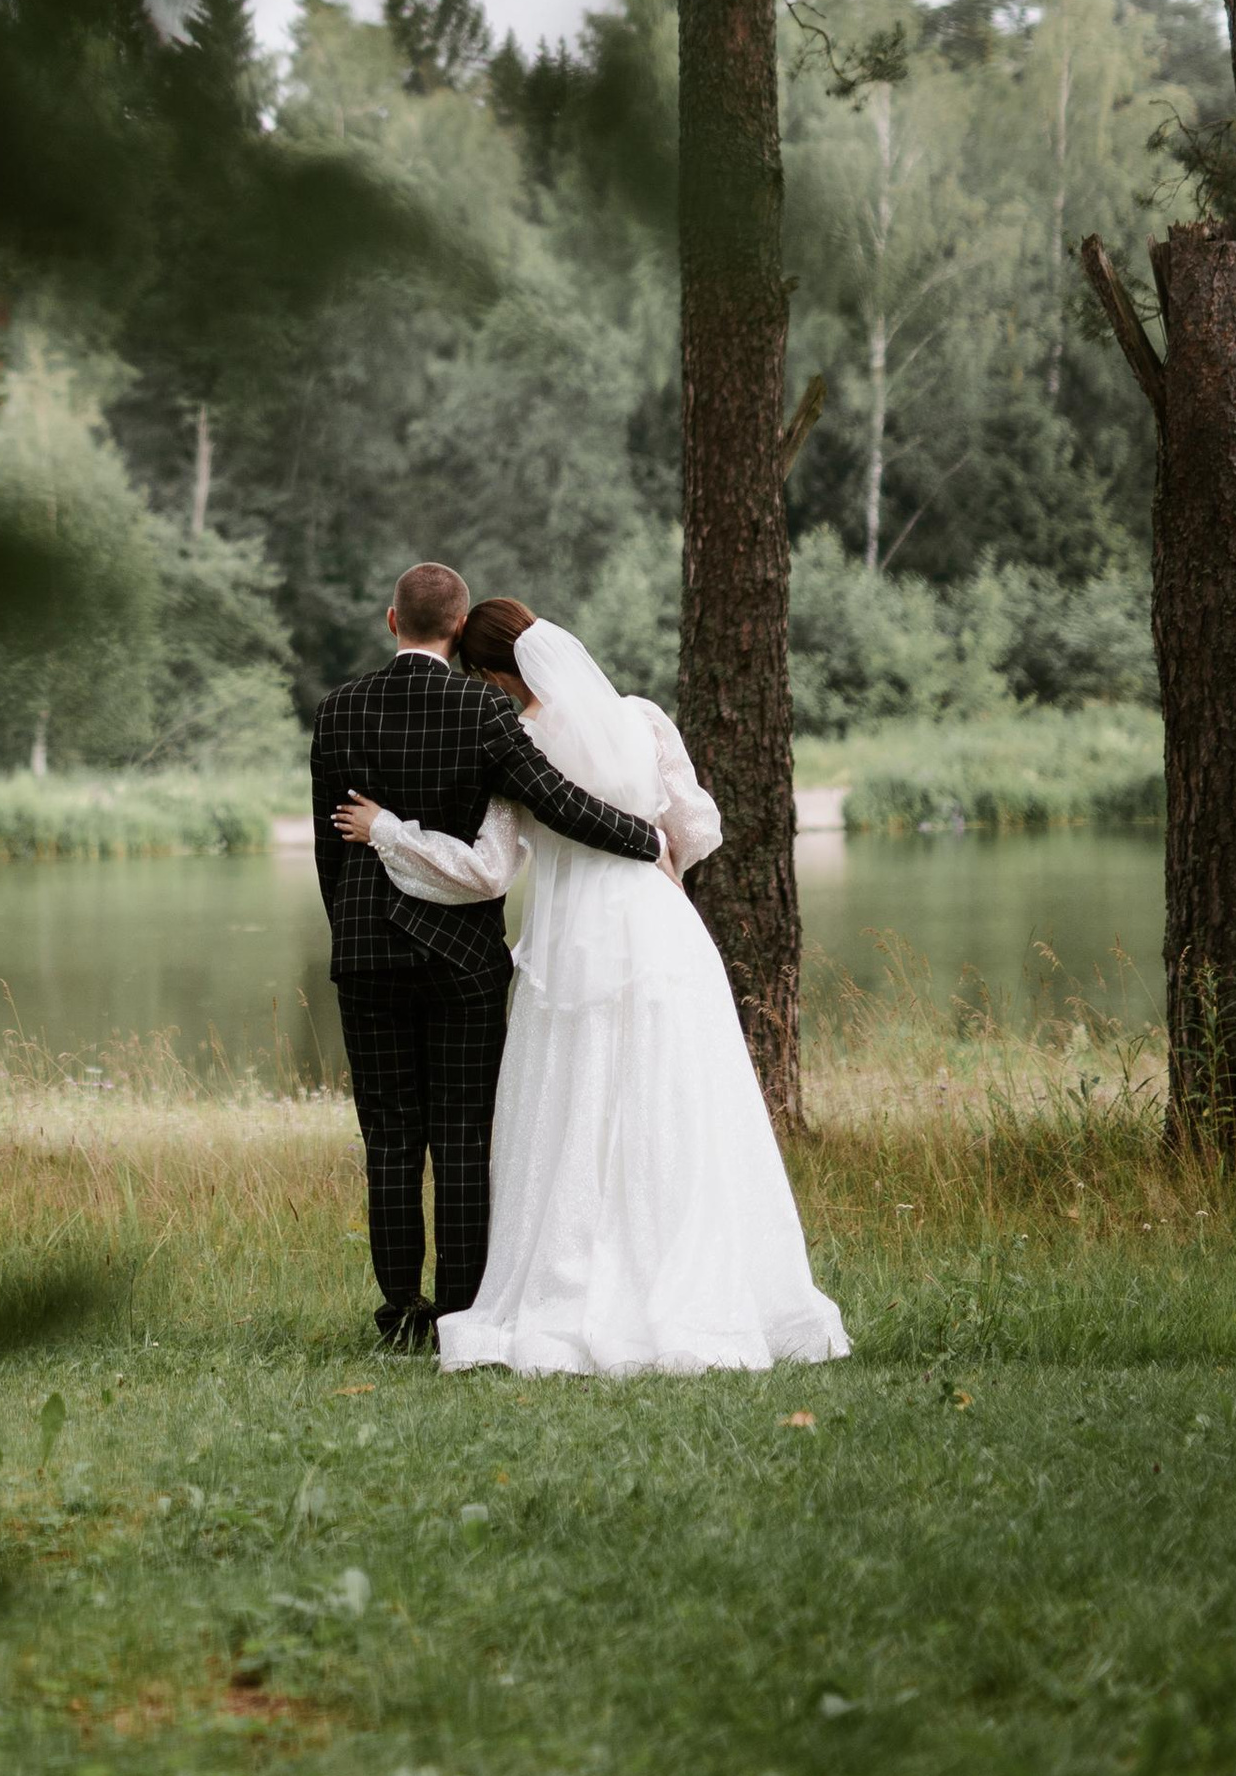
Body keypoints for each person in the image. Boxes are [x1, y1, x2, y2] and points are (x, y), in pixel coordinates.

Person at [341, 595, 851, 1377]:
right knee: (679, 1105)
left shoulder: (519, 739)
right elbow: (697, 827)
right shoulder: (643, 718)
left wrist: (390, 833)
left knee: (577, 1106)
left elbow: (484, 871)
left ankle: (573, 1285)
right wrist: (658, 857)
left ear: (492, 673)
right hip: (662, 928)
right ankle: (714, 1289)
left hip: (574, 942)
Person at [309, 561, 670, 1350]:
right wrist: (644, 837)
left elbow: (329, 852)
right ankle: (460, 1314)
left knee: (391, 1141)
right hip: (464, 961)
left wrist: (356, 933)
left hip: (366, 956)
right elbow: (554, 801)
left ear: (391, 619)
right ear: (459, 624)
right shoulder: (482, 707)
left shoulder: (337, 711)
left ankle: (400, 1313)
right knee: (464, 1137)